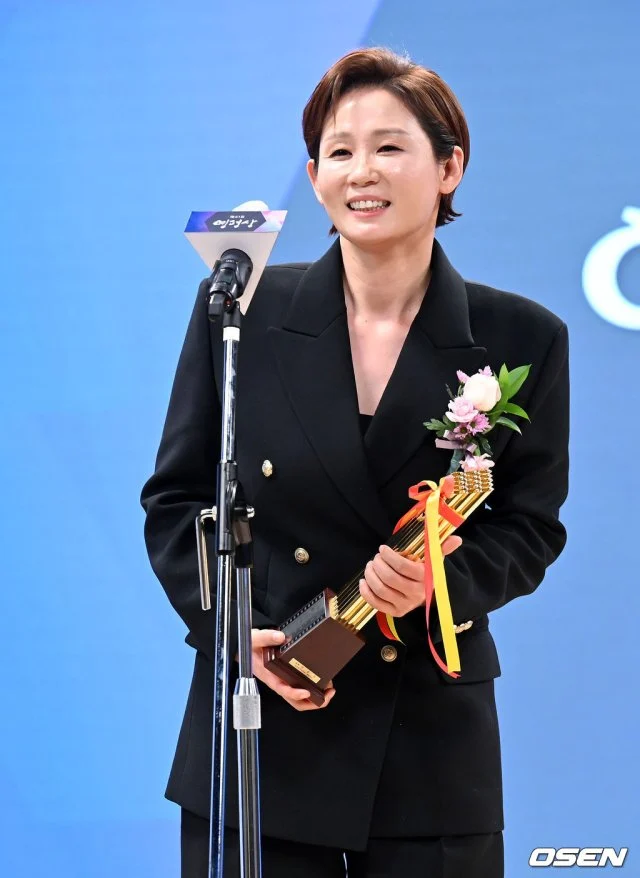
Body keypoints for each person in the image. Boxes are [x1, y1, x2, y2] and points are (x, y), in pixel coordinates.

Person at [141, 47, 569, 878]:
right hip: (267, 718)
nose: (361, 172)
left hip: (427, 744)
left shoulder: (522, 336)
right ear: (314, 177)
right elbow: (179, 498)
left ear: (449, 168)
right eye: (339, 151)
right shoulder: (243, 312)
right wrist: (233, 636)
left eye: (389, 147)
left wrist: (441, 581)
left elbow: (530, 526)